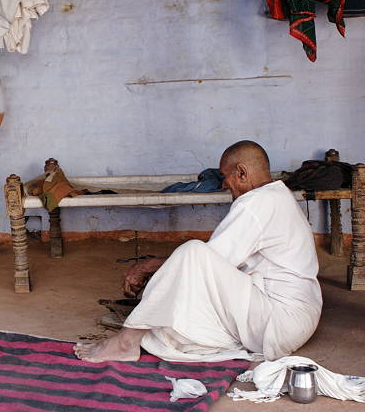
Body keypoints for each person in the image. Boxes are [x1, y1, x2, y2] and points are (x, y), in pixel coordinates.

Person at [74, 141, 322, 363]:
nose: (224, 184)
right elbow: (217, 266)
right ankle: (141, 328)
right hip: (297, 319)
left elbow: (203, 259)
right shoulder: (277, 195)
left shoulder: (256, 203)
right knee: (181, 289)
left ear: (242, 172)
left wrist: (147, 266)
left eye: (226, 177)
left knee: (191, 251)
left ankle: (126, 341)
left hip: (279, 322)